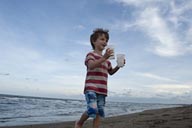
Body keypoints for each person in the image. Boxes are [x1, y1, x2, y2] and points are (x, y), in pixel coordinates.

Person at [75, 28, 125, 128]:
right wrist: (104, 58)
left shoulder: (107, 61)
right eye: (102, 39)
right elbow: (91, 66)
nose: (105, 42)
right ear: (94, 41)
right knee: (92, 109)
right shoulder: (91, 55)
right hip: (91, 88)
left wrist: (118, 66)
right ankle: (79, 123)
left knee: (99, 112)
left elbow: (111, 72)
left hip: (102, 90)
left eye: (106, 40)